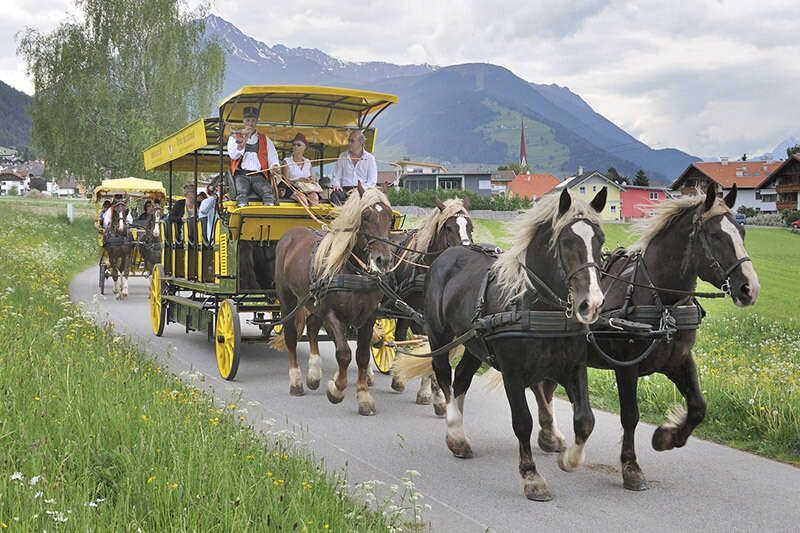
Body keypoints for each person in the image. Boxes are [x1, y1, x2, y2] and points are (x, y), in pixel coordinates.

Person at [227, 106, 280, 207]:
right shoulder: (234, 137)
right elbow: (233, 155)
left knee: (268, 193)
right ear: (243, 121)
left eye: (253, 120)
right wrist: (242, 142)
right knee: (242, 194)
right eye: (248, 120)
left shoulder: (265, 139)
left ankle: (268, 214)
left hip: (258, 176)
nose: (250, 123)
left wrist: (274, 165)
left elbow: (272, 156)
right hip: (242, 175)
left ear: (256, 121)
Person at [330, 129, 378, 205]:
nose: (349, 143)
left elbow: (372, 182)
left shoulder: (370, 158)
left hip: (362, 190)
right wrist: (337, 185)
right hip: (344, 190)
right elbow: (336, 176)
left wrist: (357, 190)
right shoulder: (343, 156)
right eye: (349, 140)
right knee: (334, 195)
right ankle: (341, 215)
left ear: (361, 142)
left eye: (352, 141)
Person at [281, 132, 322, 207]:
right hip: (292, 188)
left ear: (305, 148)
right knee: (302, 198)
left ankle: (313, 217)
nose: (295, 147)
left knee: (314, 197)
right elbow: (285, 181)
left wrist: (310, 180)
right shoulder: (286, 161)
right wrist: (298, 180)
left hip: (307, 188)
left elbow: (312, 179)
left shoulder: (308, 162)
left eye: (298, 145)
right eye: (294, 145)